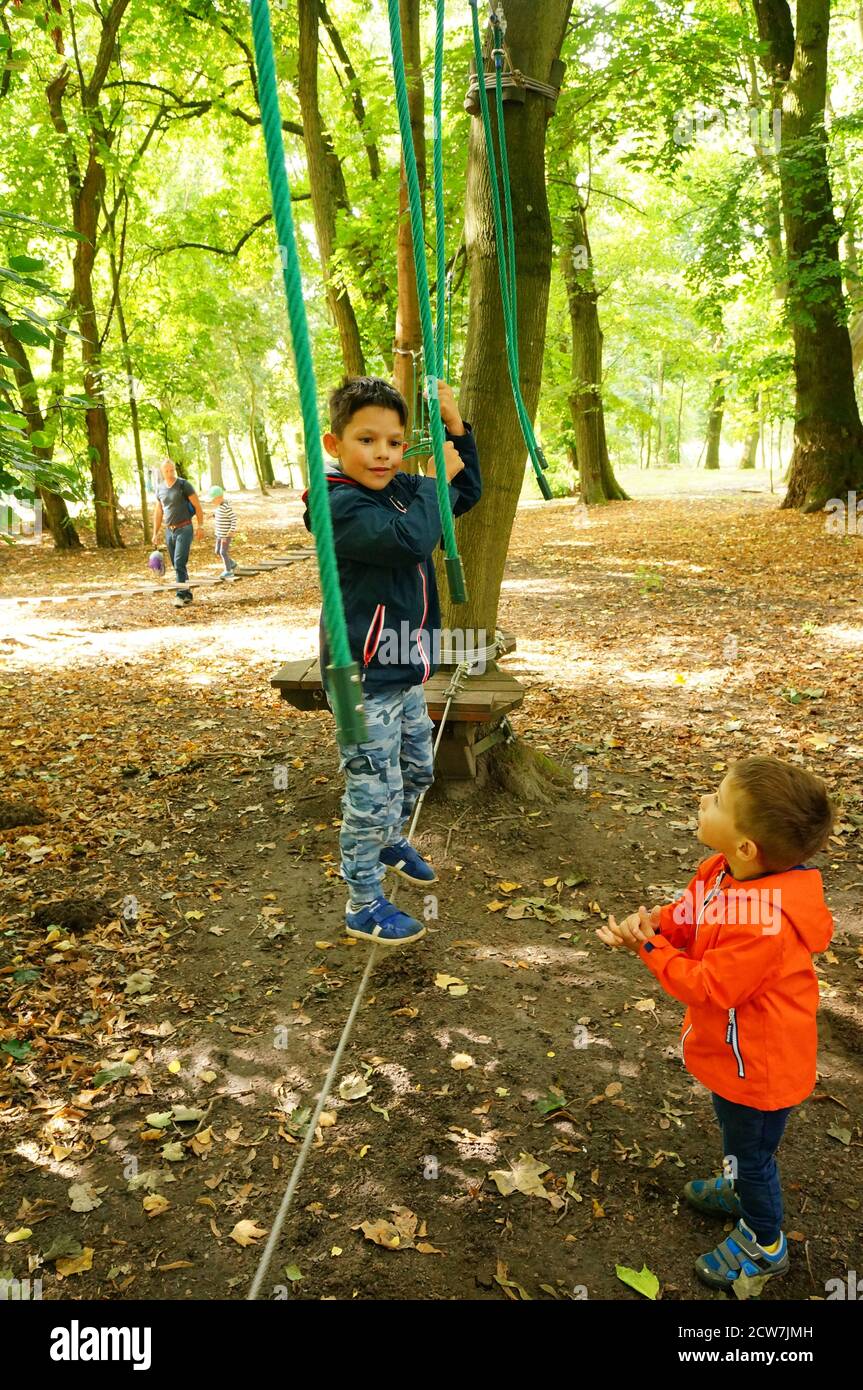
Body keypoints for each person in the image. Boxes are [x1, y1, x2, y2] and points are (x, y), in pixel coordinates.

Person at [596, 755, 834, 1291]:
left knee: (752, 1153)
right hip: (734, 1057)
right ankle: (737, 1187)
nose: (705, 801)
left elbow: (708, 986)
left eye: (718, 801)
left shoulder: (766, 922)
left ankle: (765, 1242)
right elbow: (692, 912)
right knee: (734, 1135)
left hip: (762, 1068)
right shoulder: (721, 871)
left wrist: (649, 948)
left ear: (747, 846)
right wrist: (657, 924)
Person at [303, 375, 481, 948]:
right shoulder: (336, 506)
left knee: (420, 771)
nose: (383, 454)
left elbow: (464, 495)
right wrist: (434, 482)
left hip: (404, 666)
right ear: (335, 444)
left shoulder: (401, 490)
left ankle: (390, 840)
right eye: (367, 440)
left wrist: (456, 429)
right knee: (369, 795)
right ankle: (363, 902)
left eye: (395, 443)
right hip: (362, 677)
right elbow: (407, 541)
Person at [152, 459, 203, 608]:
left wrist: (201, 526)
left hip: (185, 528)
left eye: (172, 470)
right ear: (162, 472)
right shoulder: (160, 488)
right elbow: (158, 511)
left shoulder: (183, 485)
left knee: (180, 561)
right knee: (176, 564)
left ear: (174, 469)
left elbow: (197, 505)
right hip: (170, 530)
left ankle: (180, 595)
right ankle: (187, 593)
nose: (169, 473)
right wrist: (155, 533)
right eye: (166, 470)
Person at [209, 485, 238, 580]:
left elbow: (234, 519)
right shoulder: (219, 507)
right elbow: (219, 514)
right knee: (217, 551)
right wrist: (213, 515)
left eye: (213, 499)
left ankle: (228, 571)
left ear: (219, 498)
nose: (212, 501)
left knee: (223, 552)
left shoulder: (226, 507)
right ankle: (232, 564)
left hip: (225, 535)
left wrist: (231, 530)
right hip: (219, 534)